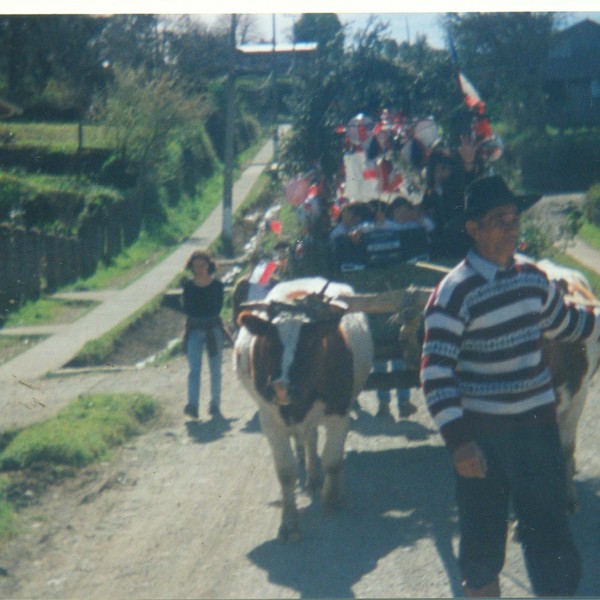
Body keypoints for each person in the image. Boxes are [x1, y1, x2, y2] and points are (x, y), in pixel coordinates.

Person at [420, 175, 600, 598]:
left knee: (551, 541)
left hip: (538, 436)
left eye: (515, 219)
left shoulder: (534, 280)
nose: (512, 229)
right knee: (482, 548)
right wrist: (460, 442)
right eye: (499, 220)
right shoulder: (454, 292)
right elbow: (435, 374)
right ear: (474, 229)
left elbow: (569, 325)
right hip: (483, 443)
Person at [182, 249, 225, 420]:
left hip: (213, 330)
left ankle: (215, 404)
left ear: (209, 265)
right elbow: (188, 309)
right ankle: (193, 405)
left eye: (203, 265)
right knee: (194, 370)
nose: (200, 268)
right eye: (196, 265)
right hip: (194, 331)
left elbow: (217, 308)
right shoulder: (188, 286)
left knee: (215, 369)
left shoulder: (217, 286)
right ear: (192, 267)